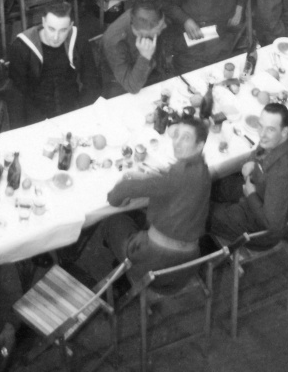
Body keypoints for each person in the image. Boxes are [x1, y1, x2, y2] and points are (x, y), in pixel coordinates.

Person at [78, 116, 212, 285]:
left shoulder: (177, 177)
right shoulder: (202, 171)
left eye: (185, 138)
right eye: (176, 135)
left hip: (156, 268)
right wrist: (148, 178)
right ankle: (126, 259)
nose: (177, 142)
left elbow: (120, 193)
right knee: (137, 219)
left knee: (112, 220)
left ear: (199, 145)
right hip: (185, 268)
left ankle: (127, 272)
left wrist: (116, 199)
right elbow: (172, 184)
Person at [208, 102, 288, 246]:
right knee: (214, 186)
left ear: (285, 131)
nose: (262, 134)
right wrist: (252, 160)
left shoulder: (282, 174)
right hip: (259, 186)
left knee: (200, 211)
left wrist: (251, 195)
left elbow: (273, 225)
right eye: (260, 126)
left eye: (270, 130)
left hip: (260, 228)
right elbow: (261, 146)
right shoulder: (280, 136)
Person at [5, 2, 81, 123]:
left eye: (63, 30)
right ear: (43, 22)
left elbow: (91, 81)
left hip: (71, 107)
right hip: (37, 113)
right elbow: (17, 94)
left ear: (71, 25)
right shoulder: (22, 47)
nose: (56, 37)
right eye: (51, 29)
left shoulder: (78, 40)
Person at [100, 1, 183, 95]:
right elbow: (132, 87)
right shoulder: (115, 42)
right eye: (160, 27)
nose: (165, 26)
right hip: (122, 77)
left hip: (151, 66)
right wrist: (144, 57)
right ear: (144, 32)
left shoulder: (142, 15)